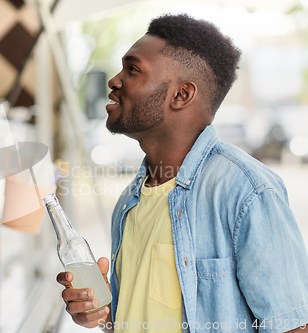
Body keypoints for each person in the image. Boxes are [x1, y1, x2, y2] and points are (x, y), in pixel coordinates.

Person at [56, 13, 308, 333]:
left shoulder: (245, 190)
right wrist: (101, 313)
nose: (114, 80)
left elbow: (293, 327)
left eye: (133, 69)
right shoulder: (129, 201)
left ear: (181, 95)